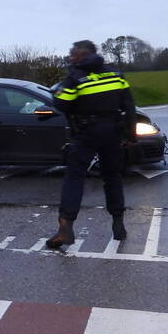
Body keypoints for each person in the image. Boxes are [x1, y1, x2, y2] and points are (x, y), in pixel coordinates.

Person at [46, 40, 137, 250]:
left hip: (86, 133)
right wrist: (130, 135)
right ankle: (118, 224)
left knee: (74, 178)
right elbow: (129, 105)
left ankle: (65, 227)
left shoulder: (76, 77)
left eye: (73, 54)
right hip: (113, 133)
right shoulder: (115, 74)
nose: (70, 57)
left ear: (82, 55)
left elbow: (61, 104)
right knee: (112, 177)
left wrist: (60, 90)